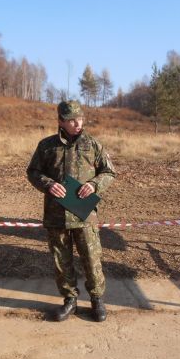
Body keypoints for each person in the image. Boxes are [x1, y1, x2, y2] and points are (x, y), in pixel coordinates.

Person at [27, 100, 116, 322]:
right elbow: (33, 172)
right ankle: (70, 301)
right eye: (72, 120)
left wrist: (94, 185)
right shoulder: (46, 146)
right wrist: (48, 184)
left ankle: (97, 300)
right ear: (60, 121)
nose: (78, 124)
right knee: (62, 261)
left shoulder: (93, 145)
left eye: (80, 119)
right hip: (56, 215)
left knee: (92, 259)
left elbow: (108, 172)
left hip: (84, 214)